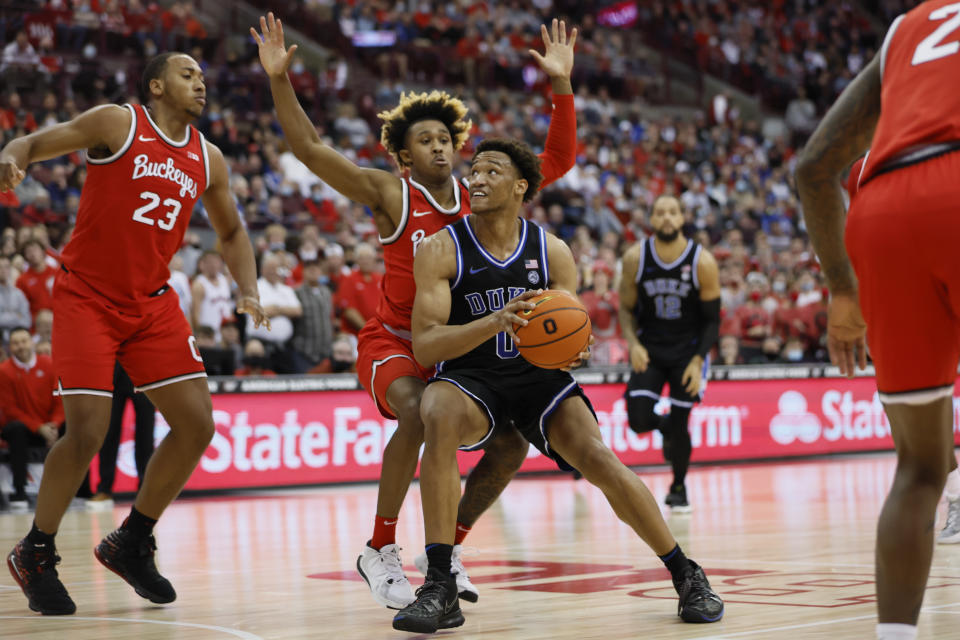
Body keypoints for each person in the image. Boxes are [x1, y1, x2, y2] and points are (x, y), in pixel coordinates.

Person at [252, 12, 577, 608]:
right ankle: (379, 550)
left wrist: (560, 84)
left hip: (459, 348)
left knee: (509, 444)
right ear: (403, 155)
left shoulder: (485, 192)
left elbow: (557, 158)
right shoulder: (389, 194)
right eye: (423, 140)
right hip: (395, 340)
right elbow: (309, 149)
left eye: (444, 138)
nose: (438, 146)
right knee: (416, 414)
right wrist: (279, 79)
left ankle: (445, 557)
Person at [395, 139, 723, 633]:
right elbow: (425, 347)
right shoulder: (442, 248)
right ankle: (439, 584)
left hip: (537, 378)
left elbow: (569, 330)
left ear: (520, 186)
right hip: (471, 377)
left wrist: (576, 346)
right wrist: (494, 321)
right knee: (436, 412)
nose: (477, 179)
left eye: (491, 172)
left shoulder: (551, 250)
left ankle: (686, 573)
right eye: (475, 171)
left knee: (597, 455)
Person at [0, 51, 267, 616]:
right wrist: (12, 155)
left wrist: (249, 289)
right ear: (156, 85)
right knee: (88, 432)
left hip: (152, 304)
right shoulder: (117, 123)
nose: (201, 82)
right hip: (87, 297)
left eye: (202, 75)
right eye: (188, 74)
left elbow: (233, 230)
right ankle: (36, 551)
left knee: (197, 425)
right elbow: (37, 141)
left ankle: (131, 541)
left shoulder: (208, 158)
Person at [795, 3, 960, 638]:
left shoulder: (906, 30)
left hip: (884, 211)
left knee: (919, 469)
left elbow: (813, 168)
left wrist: (842, 290)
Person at [619, 195, 721, 512]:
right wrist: (633, 344)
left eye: (672, 212)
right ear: (651, 218)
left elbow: (713, 319)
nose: (666, 217)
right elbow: (625, 308)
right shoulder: (636, 258)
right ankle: (664, 428)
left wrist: (698, 359)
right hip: (650, 348)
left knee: (681, 423)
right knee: (637, 420)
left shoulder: (702, 262)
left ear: (681, 219)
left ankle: (678, 488)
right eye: (660, 211)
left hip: (687, 352)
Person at [0, 327, 61, 511]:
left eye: (24, 341)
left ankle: (79, 490)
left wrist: (54, 424)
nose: (21, 346)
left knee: (74, 428)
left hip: (49, 425)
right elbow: (10, 410)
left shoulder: (49, 364)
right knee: (16, 429)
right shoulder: (4, 371)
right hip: (23, 428)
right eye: (16, 343)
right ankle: (20, 491)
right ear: (10, 347)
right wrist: (38, 427)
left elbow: (60, 400)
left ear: (32, 342)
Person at [87, 361, 156, 510]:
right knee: (108, 432)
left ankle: (145, 489)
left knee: (146, 433)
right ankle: (104, 489)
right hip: (112, 372)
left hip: (143, 370)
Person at [190, 249, 233, 341]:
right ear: (203, 264)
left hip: (224, 336)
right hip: (208, 336)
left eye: (216, 262)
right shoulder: (199, 284)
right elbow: (195, 313)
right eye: (210, 262)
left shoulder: (225, 280)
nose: (214, 265)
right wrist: (201, 335)